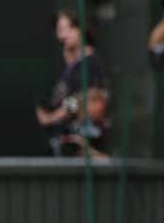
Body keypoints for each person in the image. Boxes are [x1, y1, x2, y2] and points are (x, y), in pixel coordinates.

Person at [36, 9, 110, 158]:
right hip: (64, 144)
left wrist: (52, 117)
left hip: (86, 144)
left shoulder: (91, 63)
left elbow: (89, 100)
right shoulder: (69, 68)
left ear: (80, 29)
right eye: (59, 30)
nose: (63, 35)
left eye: (68, 28)